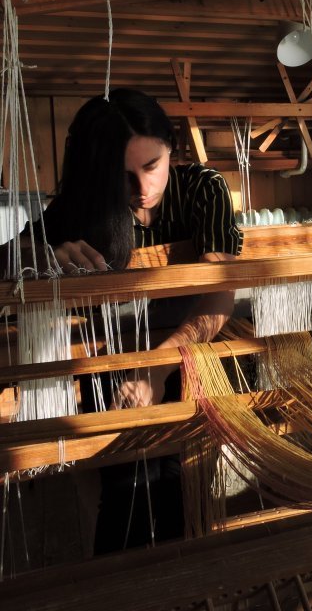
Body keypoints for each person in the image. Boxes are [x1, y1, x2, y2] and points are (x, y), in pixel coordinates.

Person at [37, 87, 243, 553]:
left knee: (179, 480)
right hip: (108, 358)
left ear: (172, 150)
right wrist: (46, 253)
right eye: (122, 175)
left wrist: (153, 370)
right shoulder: (83, 204)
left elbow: (218, 294)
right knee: (125, 483)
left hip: (187, 353)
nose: (142, 189)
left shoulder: (201, 189)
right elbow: (11, 259)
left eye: (152, 167)